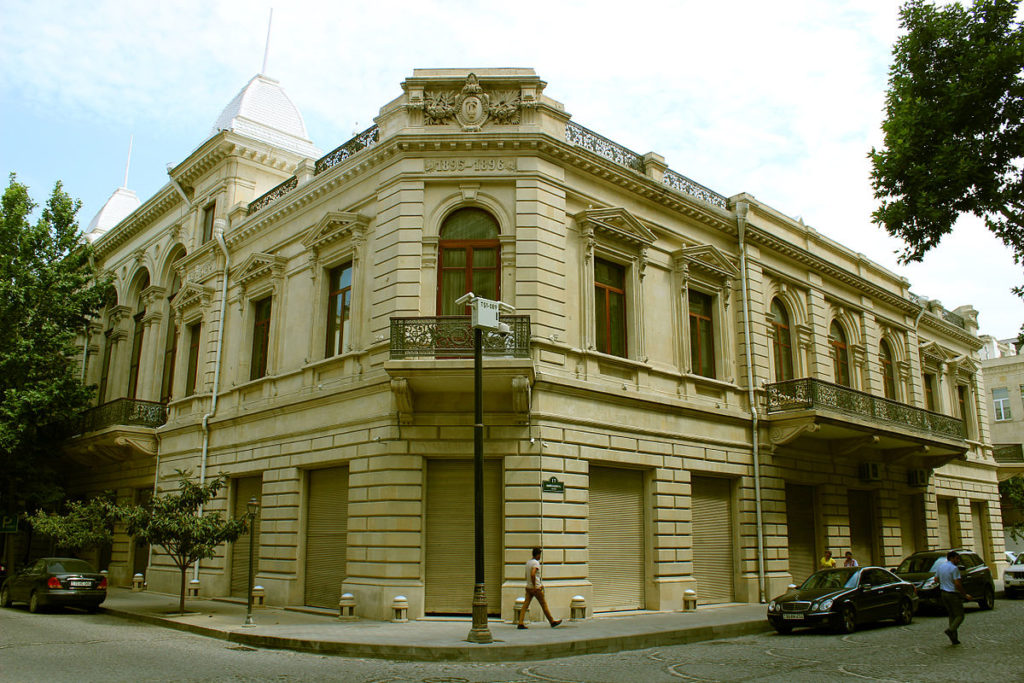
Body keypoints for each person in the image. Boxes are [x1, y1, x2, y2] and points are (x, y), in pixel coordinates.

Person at [517, 547, 561, 629]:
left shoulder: (528, 563)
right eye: (540, 554)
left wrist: (529, 585)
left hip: (528, 587)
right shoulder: (535, 563)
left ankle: (520, 622)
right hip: (536, 588)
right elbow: (533, 574)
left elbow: (525, 575)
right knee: (543, 604)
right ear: (537, 555)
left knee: (525, 605)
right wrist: (535, 586)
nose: (540, 556)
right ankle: (552, 621)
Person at [935, 550, 972, 645]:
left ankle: (954, 639)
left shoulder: (941, 567)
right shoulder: (954, 568)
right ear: (951, 558)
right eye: (957, 558)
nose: (958, 560)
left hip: (943, 593)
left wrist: (943, 583)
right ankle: (950, 630)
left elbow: (936, 579)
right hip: (952, 594)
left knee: (952, 615)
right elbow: (957, 584)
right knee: (960, 615)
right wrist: (965, 594)